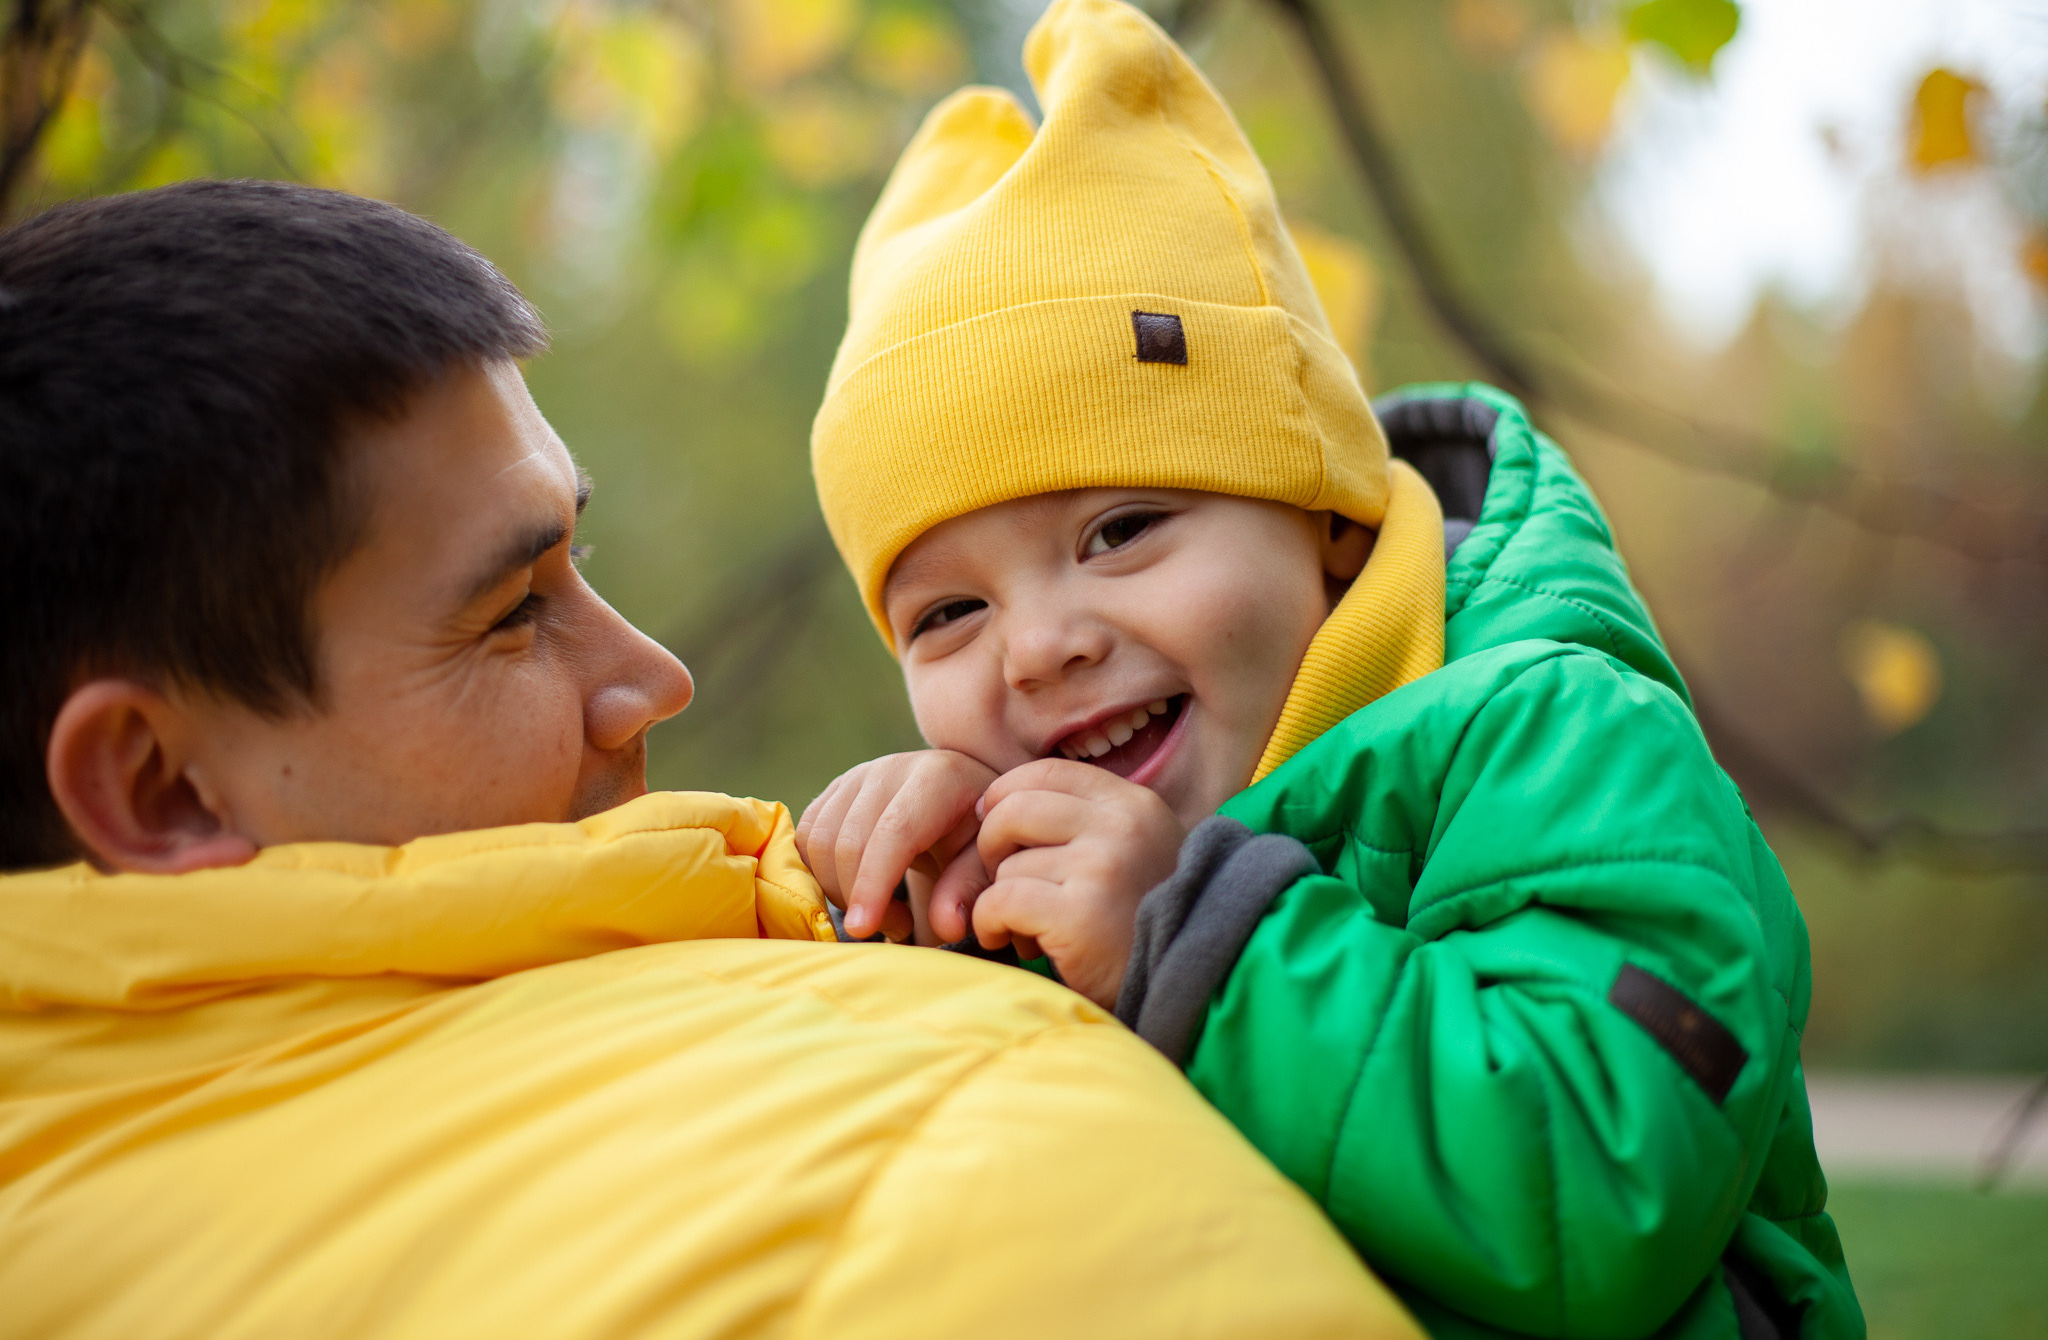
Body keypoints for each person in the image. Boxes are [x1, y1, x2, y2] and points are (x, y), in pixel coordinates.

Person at [0, 179, 1423, 1339]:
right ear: (159, 788)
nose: (655, 679)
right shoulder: (962, 1166)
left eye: (585, 561)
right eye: (511, 613)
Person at [799, 0, 1862, 1340]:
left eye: (1120, 530)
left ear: (1330, 519)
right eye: (949, 613)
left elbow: (1607, 1180)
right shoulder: (1096, 859)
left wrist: (1197, 940)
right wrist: (935, 915)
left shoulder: (1564, 735)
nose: (1038, 644)